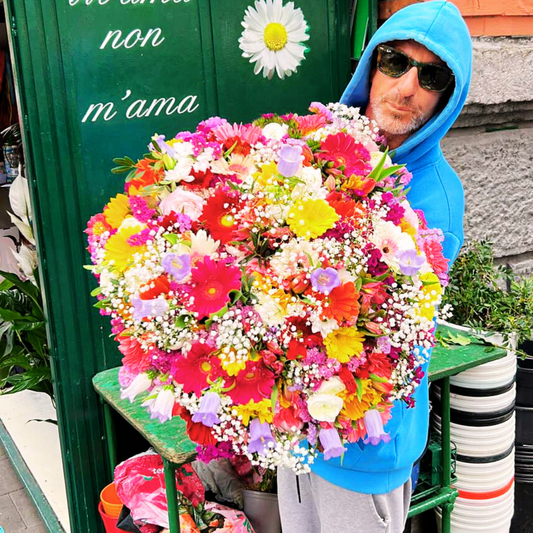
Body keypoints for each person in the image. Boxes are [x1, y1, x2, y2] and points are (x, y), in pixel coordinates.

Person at [277, 2, 473, 532]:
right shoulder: (315, 147)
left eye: (430, 75)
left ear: (446, 97)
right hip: (294, 427)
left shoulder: (434, 198)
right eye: (394, 62)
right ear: (370, 65)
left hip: (364, 447)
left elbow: (388, 333)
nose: (407, 86)